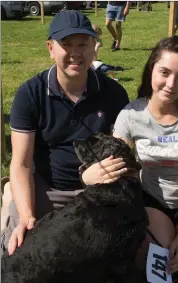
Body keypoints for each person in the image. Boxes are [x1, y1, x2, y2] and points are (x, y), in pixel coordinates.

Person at [83, 36, 178, 282]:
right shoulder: (131, 116)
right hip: (152, 204)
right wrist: (89, 175)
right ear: (151, 70)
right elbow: (120, 171)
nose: (171, 84)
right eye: (165, 72)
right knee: (160, 267)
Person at [1, 10, 129, 255]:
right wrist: (27, 217)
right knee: (18, 251)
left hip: (97, 189)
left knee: (118, 253)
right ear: (50, 48)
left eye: (83, 44)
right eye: (66, 44)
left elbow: (121, 151)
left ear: (95, 47)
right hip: (47, 188)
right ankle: (11, 203)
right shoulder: (30, 94)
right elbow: (21, 164)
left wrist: (93, 178)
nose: (75, 53)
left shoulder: (113, 93)